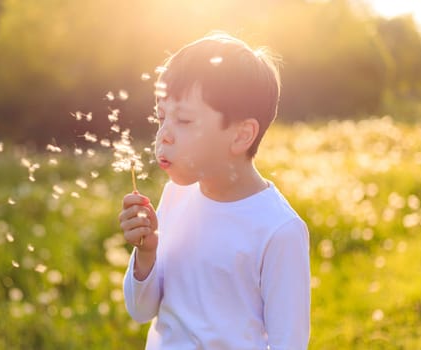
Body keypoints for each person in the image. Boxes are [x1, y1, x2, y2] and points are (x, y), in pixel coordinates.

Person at [119, 32, 310, 349]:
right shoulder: (174, 197)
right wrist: (147, 251)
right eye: (161, 116)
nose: (163, 135)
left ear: (240, 135)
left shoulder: (279, 230)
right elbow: (140, 311)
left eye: (183, 120)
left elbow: (288, 342)